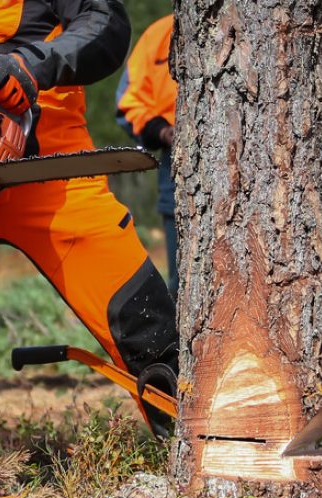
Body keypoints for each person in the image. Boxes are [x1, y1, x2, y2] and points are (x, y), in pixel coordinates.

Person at [0, 1, 177, 436]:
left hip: (52, 171)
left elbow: (106, 23)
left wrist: (31, 66)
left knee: (145, 327)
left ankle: (211, 453)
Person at [116, 14, 178, 297]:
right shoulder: (159, 35)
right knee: (185, 283)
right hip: (179, 164)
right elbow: (129, 102)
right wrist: (163, 131)